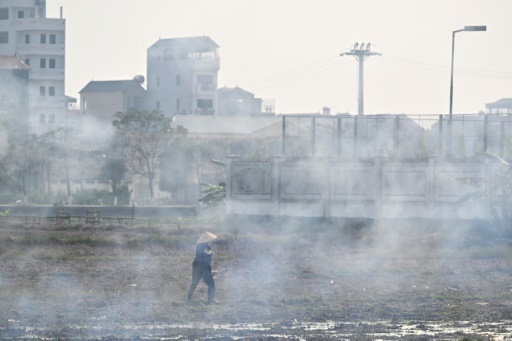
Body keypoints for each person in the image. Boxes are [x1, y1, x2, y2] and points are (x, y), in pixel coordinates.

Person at [187, 231, 217, 303]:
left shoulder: (199, 246)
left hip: (196, 265)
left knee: (194, 282)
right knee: (211, 284)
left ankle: (188, 298)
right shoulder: (207, 247)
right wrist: (210, 272)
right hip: (203, 266)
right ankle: (211, 300)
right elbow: (206, 261)